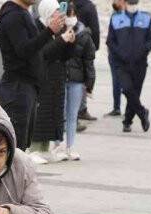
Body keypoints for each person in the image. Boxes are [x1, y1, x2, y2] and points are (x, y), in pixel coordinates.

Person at [0, 0, 66, 151]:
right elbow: (24, 50)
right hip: (17, 87)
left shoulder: (23, 13)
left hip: (27, 87)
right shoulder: (13, 16)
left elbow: (37, 51)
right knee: (16, 145)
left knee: (23, 143)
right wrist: (49, 31)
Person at [28, 0, 76, 164]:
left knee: (53, 113)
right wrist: (61, 40)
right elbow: (44, 53)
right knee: (41, 113)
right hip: (43, 76)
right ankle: (34, 148)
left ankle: (45, 147)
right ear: (48, 13)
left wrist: (69, 40)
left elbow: (65, 54)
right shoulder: (38, 28)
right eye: (56, 13)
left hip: (57, 77)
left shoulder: (58, 29)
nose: (59, 16)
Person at [107, 0, 151, 133]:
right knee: (127, 89)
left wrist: (144, 50)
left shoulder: (146, 18)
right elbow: (110, 41)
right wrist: (120, 53)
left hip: (140, 63)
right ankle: (142, 112)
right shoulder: (116, 18)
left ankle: (127, 121)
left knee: (135, 92)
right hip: (122, 63)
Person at [62, 3, 95, 160]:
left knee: (72, 114)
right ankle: (59, 146)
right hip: (62, 78)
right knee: (61, 113)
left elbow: (89, 61)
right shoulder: (58, 30)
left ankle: (69, 146)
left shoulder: (84, 33)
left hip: (76, 80)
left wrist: (89, 84)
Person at [73, 0, 99, 121]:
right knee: (85, 77)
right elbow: (95, 28)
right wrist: (95, 47)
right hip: (86, 46)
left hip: (69, 43)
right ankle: (81, 110)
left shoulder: (68, 4)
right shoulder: (89, 6)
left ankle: (76, 110)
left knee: (74, 77)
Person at [104, 0, 124, 117]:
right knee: (116, 81)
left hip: (119, 54)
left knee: (119, 81)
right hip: (115, 54)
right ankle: (117, 107)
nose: (114, 2)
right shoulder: (115, 15)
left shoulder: (122, 16)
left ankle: (120, 107)